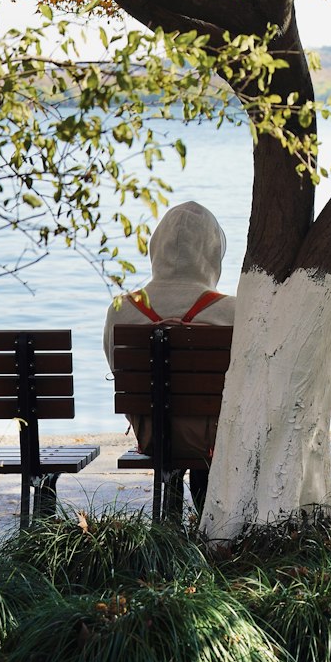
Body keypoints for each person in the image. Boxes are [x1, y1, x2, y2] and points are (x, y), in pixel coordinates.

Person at [103, 201, 235, 512]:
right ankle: (209, 527)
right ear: (213, 253)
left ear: (156, 248)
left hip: (152, 434)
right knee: (209, 423)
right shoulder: (233, 310)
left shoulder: (121, 308)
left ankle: (169, 525)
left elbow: (116, 367)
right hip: (211, 439)